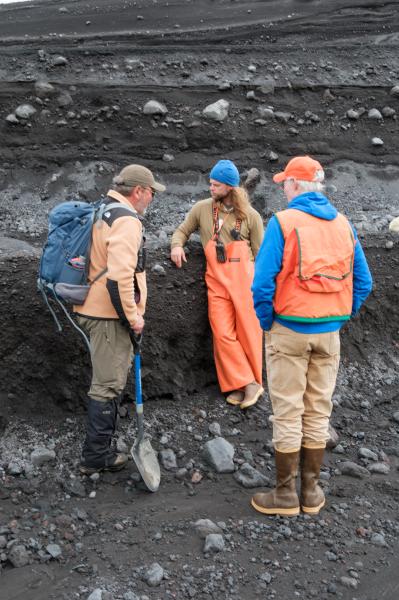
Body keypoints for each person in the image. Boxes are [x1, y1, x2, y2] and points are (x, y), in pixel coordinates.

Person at [251, 156, 372, 516]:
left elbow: (261, 283)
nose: (282, 189)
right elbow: (364, 282)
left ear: (295, 186)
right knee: (318, 411)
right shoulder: (344, 225)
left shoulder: (284, 223)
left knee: (288, 412)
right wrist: (339, 316)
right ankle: (312, 493)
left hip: (288, 330)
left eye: (284, 183)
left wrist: (266, 321)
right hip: (328, 334)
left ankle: (286, 496)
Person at [74, 164, 166, 475]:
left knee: (108, 380)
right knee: (107, 384)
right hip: (107, 315)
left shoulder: (104, 209)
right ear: (138, 191)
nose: (152, 198)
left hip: (91, 307)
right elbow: (119, 279)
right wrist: (133, 318)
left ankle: (102, 448)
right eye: (151, 192)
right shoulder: (126, 220)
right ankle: (96, 457)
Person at [171, 159, 264, 409]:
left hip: (246, 284)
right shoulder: (202, 209)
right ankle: (246, 382)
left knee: (249, 333)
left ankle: (249, 382)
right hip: (217, 283)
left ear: (230, 187)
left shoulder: (251, 216)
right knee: (222, 334)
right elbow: (181, 231)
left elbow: (262, 255)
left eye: (216, 184)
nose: (210, 188)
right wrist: (177, 245)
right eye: (210, 183)